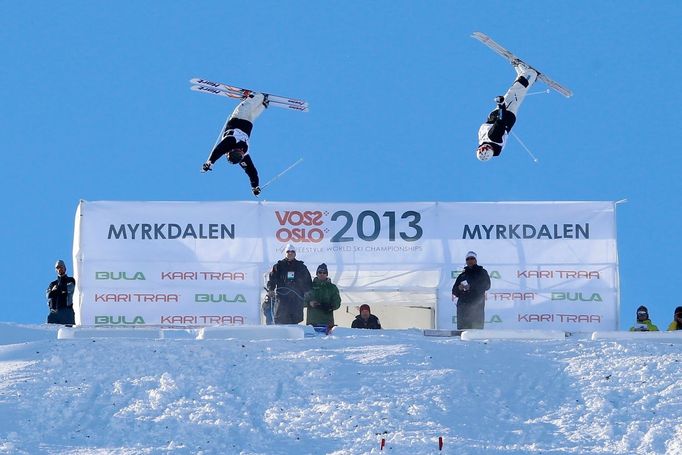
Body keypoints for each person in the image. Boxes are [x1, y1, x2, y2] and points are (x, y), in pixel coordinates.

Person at [201, 91, 269, 196]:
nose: (241, 151)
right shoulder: (244, 156)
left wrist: (210, 162)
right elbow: (251, 172)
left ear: (231, 151)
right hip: (244, 121)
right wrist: (255, 186)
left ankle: (260, 102)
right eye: (241, 153)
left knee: (249, 109)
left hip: (241, 120)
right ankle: (259, 97)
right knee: (249, 108)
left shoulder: (229, 143)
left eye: (239, 151)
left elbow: (218, 151)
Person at [476, 61, 538, 161]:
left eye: (480, 148)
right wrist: (501, 105)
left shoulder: (488, 142)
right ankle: (530, 74)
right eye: (485, 148)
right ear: (489, 149)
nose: (482, 146)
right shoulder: (493, 137)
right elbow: (501, 120)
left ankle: (522, 76)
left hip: (501, 117)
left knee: (514, 92)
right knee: (515, 92)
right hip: (506, 114)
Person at [266, 243, 312, 324]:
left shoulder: (301, 266)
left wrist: (306, 292)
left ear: (295, 253)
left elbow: (308, 281)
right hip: (282, 299)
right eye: (288, 251)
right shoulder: (278, 266)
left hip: (296, 300)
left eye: (292, 251)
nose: (290, 253)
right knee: (280, 321)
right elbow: (272, 279)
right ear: (285, 253)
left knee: (294, 322)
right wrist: (271, 289)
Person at [451, 251, 491, 329]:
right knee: (463, 332)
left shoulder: (482, 272)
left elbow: (487, 285)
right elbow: (454, 291)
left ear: (476, 260)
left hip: (476, 307)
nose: (470, 260)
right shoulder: (462, 275)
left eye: (472, 258)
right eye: (468, 259)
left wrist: (471, 286)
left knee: (476, 333)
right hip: (463, 309)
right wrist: (459, 288)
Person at [304, 263, 342, 328]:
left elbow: (337, 303)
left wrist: (330, 306)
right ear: (317, 273)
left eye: (324, 272)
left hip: (327, 323)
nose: (322, 274)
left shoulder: (332, 287)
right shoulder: (309, 286)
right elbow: (301, 301)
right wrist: (309, 303)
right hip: (312, 323)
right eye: (320, 272)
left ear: (327, 274)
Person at [46, 259, 76, 325]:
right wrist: (59, 291)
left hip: (67, 311)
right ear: (56, 270)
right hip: (54, 312)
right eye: (57, 268)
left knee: (68, 332)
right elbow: (48, 295)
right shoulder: (52, 284)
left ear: (65, 268)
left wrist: (55, 291)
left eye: (61, 267)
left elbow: (69, 290)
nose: (59, 269)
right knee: (50, 333)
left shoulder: (70, 280)